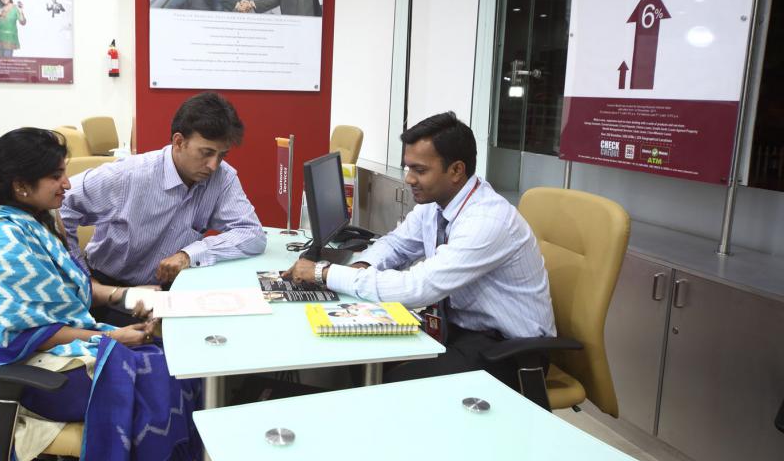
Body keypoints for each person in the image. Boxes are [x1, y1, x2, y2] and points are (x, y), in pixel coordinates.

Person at [0, 128, 201, 461]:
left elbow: (65, 290)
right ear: (21, 185)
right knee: (154, 373)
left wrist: (121, 295)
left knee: (173, 362)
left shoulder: (31, 221)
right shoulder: (2, 238)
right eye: (56, 176)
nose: (67, 185)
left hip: (41, 353)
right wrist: (113, 337)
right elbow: (25, 331)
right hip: (6, 368)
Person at [284, 112, 555, 388]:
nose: (409, 179)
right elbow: (395, 244)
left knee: (396, 384)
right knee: (358, 353)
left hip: (508, 350)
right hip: (456, 329)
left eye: (420, 170)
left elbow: (417, 288)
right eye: (408, 168)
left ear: (456, 170)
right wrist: (360, 268)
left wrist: (324, 272)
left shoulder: (486, 221)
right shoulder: (436, 203)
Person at [61, 92, 266, 317]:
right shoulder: (128, 175)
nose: (213, 165)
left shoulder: (222, 178)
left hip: (167, 292)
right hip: (111, 290)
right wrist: (81, 275)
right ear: (178, 142)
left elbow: (252, 233)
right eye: (206, 153)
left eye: (222, 155)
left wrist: (189, 254)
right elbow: (60, 205)